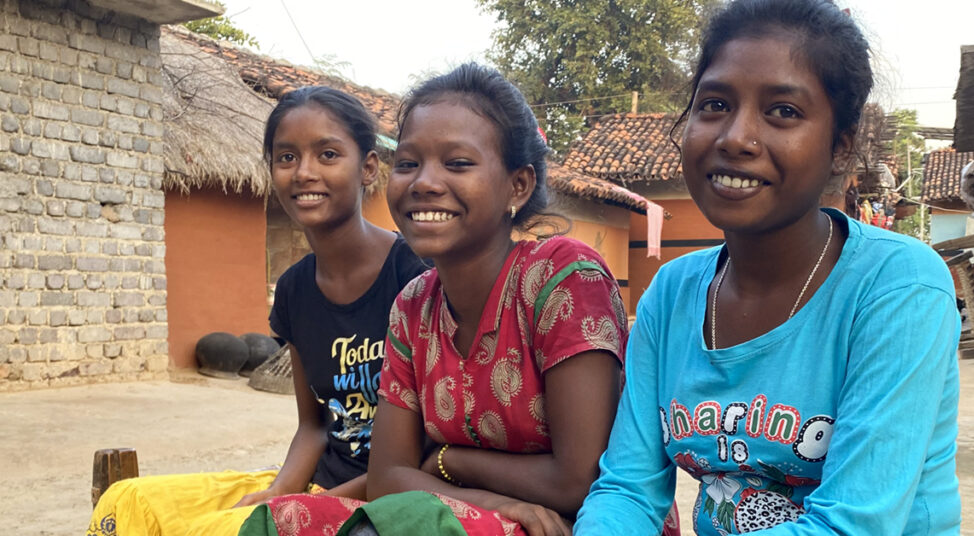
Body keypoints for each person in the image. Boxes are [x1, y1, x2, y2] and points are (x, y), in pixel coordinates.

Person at [575, 1, 961, 534]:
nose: (734, 137)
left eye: (783, 111)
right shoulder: (671, 294)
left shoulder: (898, 286)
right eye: (714, 104)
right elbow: (628, 489)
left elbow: (851, 525)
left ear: (840, 147)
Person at [240, 63, 661, 536]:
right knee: (276, 525)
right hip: (472, 512)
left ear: (517, 186)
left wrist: (447, 460)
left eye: (457, 163)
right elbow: (386, 477)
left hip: (579, 524)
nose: (424, 182)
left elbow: (580, 478)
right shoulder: (413, 306)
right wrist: (483, 495)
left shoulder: (561, 279)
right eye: (409, 163)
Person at [87, 86, 427, 536]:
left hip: (392, 493)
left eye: (327, 154)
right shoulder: (293, 291)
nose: (304, 172)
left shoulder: (414, 275)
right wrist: (281, 492)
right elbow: (313, 426)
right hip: (320, 484)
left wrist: (298, 507)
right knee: (130, 502)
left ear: (367, 168)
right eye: (286, 158)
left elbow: (428, 444)